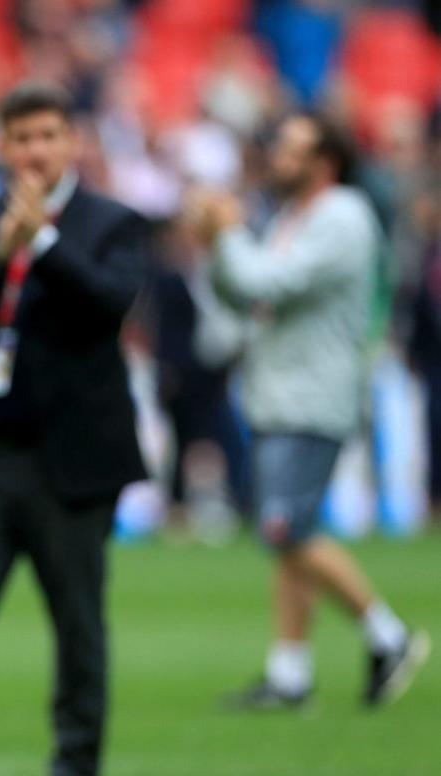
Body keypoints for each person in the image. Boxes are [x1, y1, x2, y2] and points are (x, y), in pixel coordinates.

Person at [194, 113, 431, 709]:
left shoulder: (342, 217)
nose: (278, 156)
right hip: (285, 390)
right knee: (288, 531)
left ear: (325, 161)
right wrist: (224, 244)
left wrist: (227, 234)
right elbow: (241, 291)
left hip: (313, 394)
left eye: (292, 149)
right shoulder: (299, 217)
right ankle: (290, 673)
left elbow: (264, 282)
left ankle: (389, 636)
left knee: (286, 526)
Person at [0, 82, 149, 776]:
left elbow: (109, 305)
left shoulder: (112, 220)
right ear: (3, 146)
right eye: (22, 137)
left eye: (48, 136)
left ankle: (76, 763)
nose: (35, 150)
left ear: (72, 143)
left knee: (79, 625)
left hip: (73, 462)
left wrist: (46, 242)